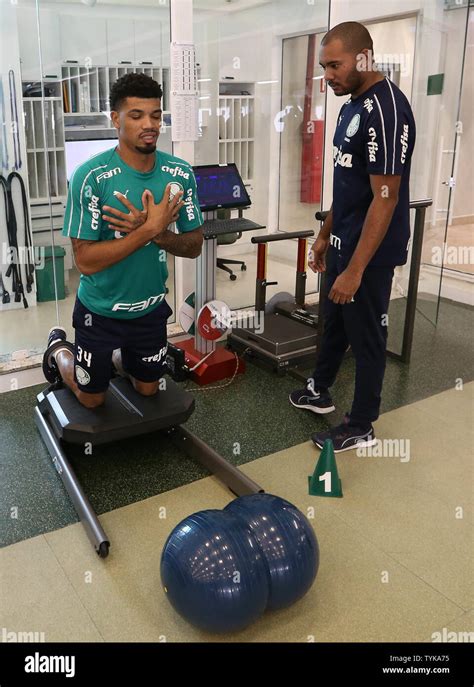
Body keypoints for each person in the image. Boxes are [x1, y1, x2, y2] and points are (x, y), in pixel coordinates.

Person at [290, 21, 416, 452]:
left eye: (335, 66)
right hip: (344, 240)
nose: (328, 76)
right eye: (324, 67)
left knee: (366, 335)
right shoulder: (350, 105)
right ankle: (320, 390)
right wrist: (325, 235)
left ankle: (361, 423)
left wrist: (356, 269)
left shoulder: (387, 109)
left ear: (364, 57)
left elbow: (385, 196)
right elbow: (347, 182)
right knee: (335, 324)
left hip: (372, 253)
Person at [43, 73, 203, 407]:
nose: (150, 124)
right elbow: (84, 261)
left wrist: (158, 232)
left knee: (147, 389)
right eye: (136, 115)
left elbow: (194, 246)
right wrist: (145, 231)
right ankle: (59, 350)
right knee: (92, 400)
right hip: (99, 312)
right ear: (115, 119)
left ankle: (119, 360)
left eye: (156, 115)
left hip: (149, 308)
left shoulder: (180, 174)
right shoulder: (91, 177)